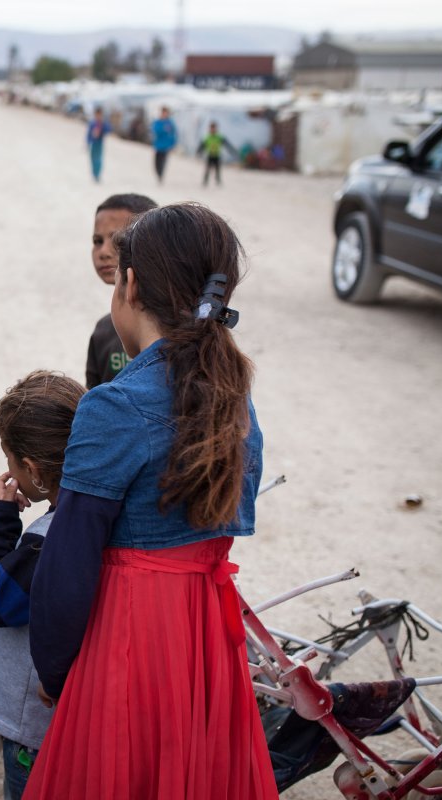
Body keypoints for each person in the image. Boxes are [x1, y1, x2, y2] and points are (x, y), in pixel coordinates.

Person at [24, 202, 278, 799]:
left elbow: (67, 565)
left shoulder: (114, 405)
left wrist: (56, 669)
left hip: (130, 637)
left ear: (128, 283)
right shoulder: (234, 398)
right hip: (204, 638)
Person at [0, 371, 85, 800]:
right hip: (71, 713)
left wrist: (2, 522)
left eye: (11, 459)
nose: (9, 470)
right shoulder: (96, 517)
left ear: (34, 470)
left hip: (31, 724)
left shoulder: (44, 542)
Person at [86, 193, 157, 389]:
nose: (103, 252)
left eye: (118, 241)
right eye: (97, 241)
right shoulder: (103, 331)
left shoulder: (180, 331)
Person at [197, 120, 239, 187]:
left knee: (217, 169)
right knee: (207, 169)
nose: (213, 129)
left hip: (217, 155)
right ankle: (205, 181)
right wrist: (199, 152)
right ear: (210, 128)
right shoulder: (207, 137)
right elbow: (202, 146)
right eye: (212, 128)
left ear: (216, 128)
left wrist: (233, 151)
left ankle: (218, 181)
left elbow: (227, 145)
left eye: (214, 128)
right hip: (210, 155)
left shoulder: (219, 137)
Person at [150, 106, 177, 184]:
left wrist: (172, 144)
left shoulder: (170, 123)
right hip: (158, 146)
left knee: (163, 162)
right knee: (156, 163)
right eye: (163, 112)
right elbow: (155, 131)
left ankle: (160, 176)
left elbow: (174, 134)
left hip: (166, 147)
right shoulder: (158, 122)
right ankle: (158, 174)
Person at [85, 107, 111, 183]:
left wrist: (103, 127)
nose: (98, 116)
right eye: (97, 115)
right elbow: (88, 134)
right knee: (92, 159)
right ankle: (94, 174)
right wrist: (88, 142)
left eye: (100, 115)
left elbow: (109, 130)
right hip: (93, 143)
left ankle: (97, 174)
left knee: (98, 159)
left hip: (99, 143)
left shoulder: (103, 123)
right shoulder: (92, 123)